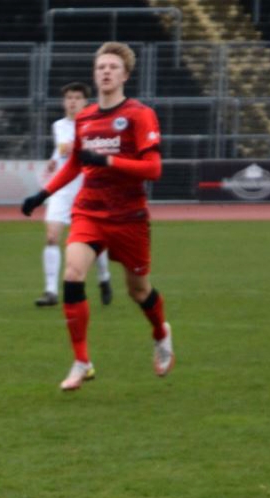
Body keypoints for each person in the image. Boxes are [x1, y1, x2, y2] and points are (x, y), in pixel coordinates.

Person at [21, 42, 170, 391]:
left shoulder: (139, 114)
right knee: (72, 274)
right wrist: (42, 194)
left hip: (129, 216)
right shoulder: (85, 118)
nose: (106, 71)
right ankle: (81, 361)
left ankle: (161, 333)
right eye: (101, 66)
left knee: (138, 291)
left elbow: (153, 169)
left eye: (113, 67)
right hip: (89, 211)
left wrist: (108, 160)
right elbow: (75, 163)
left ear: (125, 75)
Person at [35, 83, 111, 307]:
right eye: (69, 98)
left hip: (87, 189)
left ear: (85, 102)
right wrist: (53, 160)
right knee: (51, 236)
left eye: (77, 98)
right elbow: (62, 149)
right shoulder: (58, 125)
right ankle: (50, 291)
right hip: (62, 190)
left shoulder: (95, 124)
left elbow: (88, 150)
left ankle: (104, 277)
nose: (72, 102)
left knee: (93, 241)